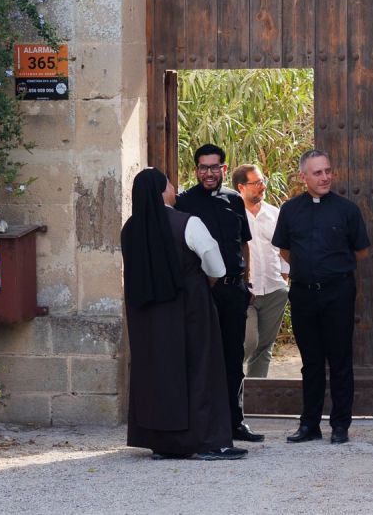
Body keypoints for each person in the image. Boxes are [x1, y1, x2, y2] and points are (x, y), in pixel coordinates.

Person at [120, 168, 247, 460]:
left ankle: (163, 443)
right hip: (189, 308)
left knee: (158, 372)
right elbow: (217, 267)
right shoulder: (188, 223)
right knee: (201, 368)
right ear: (161, 191)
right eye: (169, 183)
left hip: (146, 316)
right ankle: (208, 442)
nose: (174, 188)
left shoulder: (130, 228)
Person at [272, 149, 370, 444]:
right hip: (303, 295)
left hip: (338, 293)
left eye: (328, 170)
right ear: (304, 177)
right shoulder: (290, 210)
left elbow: (361, 250)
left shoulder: (347, 210)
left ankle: (340, 425)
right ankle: (309, 425)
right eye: (318, 172)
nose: (325, 177)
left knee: (340, 360)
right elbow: (284, 250)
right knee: (310, 361)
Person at [174, 144, 264, 443]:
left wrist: (247, 284)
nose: (209, 173)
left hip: (233, 291)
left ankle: (235, 422)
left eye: (214, 167)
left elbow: (244, 245)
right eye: (203, 167)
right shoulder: (183, 202)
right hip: (201, 293)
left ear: (224, 169)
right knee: (199, 356)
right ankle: (201, 423)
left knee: (233, 356)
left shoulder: (235, 200)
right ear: (196, 169)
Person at [232, 164, 291, 378]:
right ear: (241, 187)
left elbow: (285, 248)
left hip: (275, 290)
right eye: (256, 183)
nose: (263, 186)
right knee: (249, 342)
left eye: (262, 181)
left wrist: (284, 277)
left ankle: (254, 396)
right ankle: (231, 384)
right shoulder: (233, 216)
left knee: (264, 348)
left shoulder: (275, 214)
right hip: (247, 292)